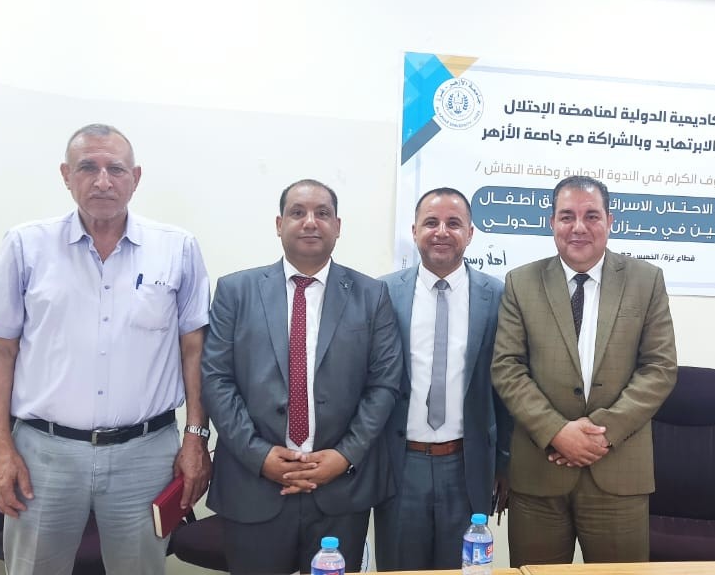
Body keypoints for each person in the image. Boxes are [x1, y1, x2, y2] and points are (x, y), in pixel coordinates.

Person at [0, 123, 212, 575]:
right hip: (44, 454)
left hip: (146, 454)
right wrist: (0, 450)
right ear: (66, 175)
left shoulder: (177, 248)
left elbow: (194, 350)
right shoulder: (26, 245)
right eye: (87, 167)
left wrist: (196, 437)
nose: (102, 181)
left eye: (115, 169)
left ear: (135, 178)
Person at [202, 179, 402, 574]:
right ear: (279, 224)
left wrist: (344, 456)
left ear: (338, 226)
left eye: (322, 213)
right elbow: (216, 379)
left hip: (340, 489)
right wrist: (259, 456)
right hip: (254, 484)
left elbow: (384, 385)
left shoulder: (371, 295)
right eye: (298, 212)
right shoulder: (235, 291)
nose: (310, 222)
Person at [491, 175, 678, 566]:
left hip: (618, 472)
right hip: (539, 474)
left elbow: (659, 368)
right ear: (552, 223)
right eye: (567, 216)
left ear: (610, 221)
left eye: (591, 215)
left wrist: (602, 433)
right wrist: (557, 432)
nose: (578, 227)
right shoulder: (521, 283)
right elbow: (507, 368)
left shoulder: (646, 281)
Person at [374, 188, 513, 570]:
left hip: (467, 465)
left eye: (453, 223)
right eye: (431, 222)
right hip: (400, 464)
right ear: (414, 230)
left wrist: (504, 462)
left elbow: (506, 386)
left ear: (470, 233)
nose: (441, 231)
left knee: (461, 568)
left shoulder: (497, 295)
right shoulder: (383, 292)